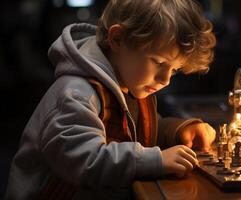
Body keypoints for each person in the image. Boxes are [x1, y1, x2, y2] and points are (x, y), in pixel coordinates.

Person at [6, 0, 216, 199]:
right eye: (159, 62)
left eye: (175, 70)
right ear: (117, 39)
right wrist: (156, 160)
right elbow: (86, 161)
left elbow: (142, 132)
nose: (165, 79)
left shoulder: (130, 84)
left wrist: (179, 131)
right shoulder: (76, 93)